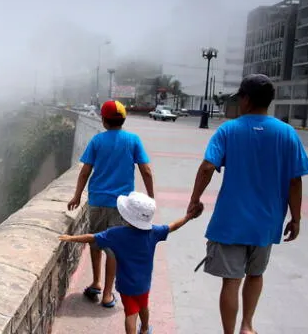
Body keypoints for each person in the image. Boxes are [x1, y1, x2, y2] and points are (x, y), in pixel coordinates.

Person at [187, 74, 308, 334]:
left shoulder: (228, 130)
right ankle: (247, 326)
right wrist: (296, 218)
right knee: (256, 275)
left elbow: (207, 166)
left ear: (245, 99)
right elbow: (295, 181)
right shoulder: (287, 134)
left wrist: (195, 199)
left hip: (230, 222)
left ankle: (229, 332)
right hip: (266, 223)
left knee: (231, 281)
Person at [60, 192, 203, 334]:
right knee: (143, 306)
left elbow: (92, 238)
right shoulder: (154, 232)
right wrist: (188, 217)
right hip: (143, 284)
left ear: (126, 215)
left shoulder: (116, 234)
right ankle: (145, 328)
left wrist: (71, 238)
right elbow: (172, 226)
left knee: (130, 313)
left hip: (125, 285)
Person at [67, 100, 154, 308]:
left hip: (97, 200)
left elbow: (85, 171)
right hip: (122, 206)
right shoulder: (133, 140)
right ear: (123, 120)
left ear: (104, 120)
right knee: (115, 248)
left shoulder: (97, 141)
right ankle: (107, 294)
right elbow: (146, 170)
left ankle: (95, 282)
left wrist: (77, 195)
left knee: (96, 242)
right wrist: (150, 197)